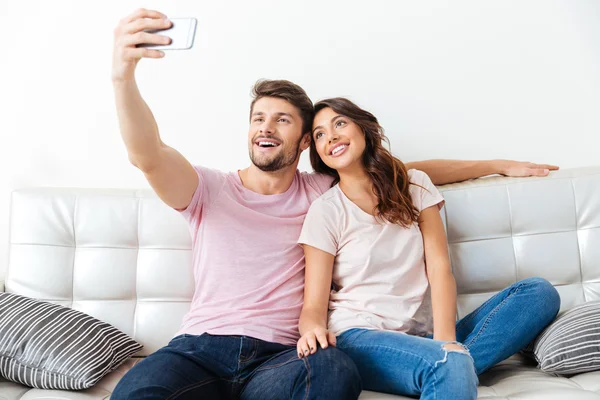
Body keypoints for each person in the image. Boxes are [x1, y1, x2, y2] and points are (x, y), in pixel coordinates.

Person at [110, 8, 559, 399]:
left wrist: (496, 164)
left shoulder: (320, 189)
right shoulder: (206, 188)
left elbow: (399, 169)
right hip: (202, 348)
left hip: (283, 357)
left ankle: (442, 364)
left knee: (335, 372)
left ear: (302, 141)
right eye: (258, 118)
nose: (266, 127)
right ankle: (443, 366)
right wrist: (122, 77)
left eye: (282, 120)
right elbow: (147, 154)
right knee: (140, 390)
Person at [296, 97, 562, 400]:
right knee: (449, 361)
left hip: (425, 337)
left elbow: (439, 269)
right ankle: (449, 367)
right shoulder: (325, 211)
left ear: (363, 127)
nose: (330, 136)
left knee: (538, 293)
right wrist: (312, 330)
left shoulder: (412, 184)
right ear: (317, 152)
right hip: (359, 336)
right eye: (319, 134)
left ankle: (448, 366)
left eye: (339, 123)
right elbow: (313, 307)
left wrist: (445, 341)